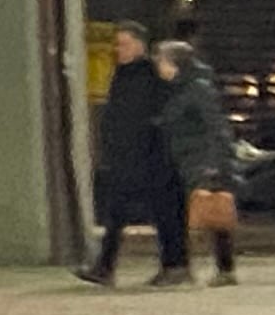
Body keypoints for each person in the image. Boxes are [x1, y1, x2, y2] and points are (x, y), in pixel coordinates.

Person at [77, 21, 184, 287]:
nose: (118, 49)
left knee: (164, 214)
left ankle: (174, 265)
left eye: (124, 44)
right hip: (124, 159)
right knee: (116, 215)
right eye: (117, 44)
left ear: (138, 45)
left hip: (151, 158)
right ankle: (104, 267)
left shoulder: (152, 75)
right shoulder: (121, 75)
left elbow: (164, 112)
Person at [159, 22, 243, 287]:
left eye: (161, 60)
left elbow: (215, 127)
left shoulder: (197, 89)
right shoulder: (180, 89)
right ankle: (212, 268)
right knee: (205, 214)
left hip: (204, 162)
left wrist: (214, 164)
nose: (158, 66)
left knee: (214, 214)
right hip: (189, 160)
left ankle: (225, 268)